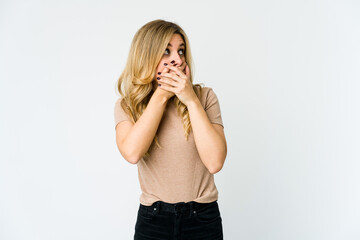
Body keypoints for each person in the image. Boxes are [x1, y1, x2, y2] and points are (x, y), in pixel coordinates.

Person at [114, 19, 227, 240]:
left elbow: (215, 162)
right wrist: (161, 95)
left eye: (181, 51)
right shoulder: (128, 105)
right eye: (166, 51)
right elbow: (132, 152)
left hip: (202, 218)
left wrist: (191, 101)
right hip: (153, 221)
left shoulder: (205, 97)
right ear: (147, 56)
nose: (177, 59)